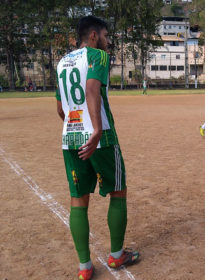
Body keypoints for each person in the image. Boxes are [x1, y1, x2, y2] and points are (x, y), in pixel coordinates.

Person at [55, 16, 139, 280]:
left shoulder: (62, 62)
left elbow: (61, 108)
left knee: (78, 200)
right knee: (118, 192)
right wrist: (97, 128)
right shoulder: (98, 57)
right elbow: (91, 89)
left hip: (70, 138)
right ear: (93, 36)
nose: (108, 40)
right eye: (105, 35)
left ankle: (84, 268)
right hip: (99, 139)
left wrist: (77, 127)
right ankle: (116, 255)